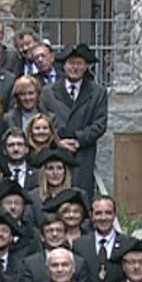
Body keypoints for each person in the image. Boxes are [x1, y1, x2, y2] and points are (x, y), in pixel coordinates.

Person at [41, 43, 108, 202]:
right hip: (56, 154)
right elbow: (43, 121)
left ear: (86, 66)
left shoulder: (98, 92)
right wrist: (58, 141)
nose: (75, 67)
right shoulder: (48, 92)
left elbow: (100, 124)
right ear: (64, 65)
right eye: (71, 63)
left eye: (79, 63)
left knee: (80, 199)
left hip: (82, 155)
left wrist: (78, 140)